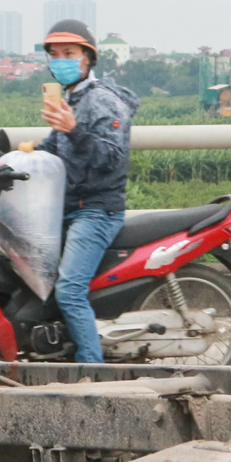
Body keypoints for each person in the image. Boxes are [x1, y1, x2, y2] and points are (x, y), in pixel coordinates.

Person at [36, 19, 139, 364]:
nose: (60, 60)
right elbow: (53, 149)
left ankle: (92, 370)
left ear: (88, 58)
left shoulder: (102, 102)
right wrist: (8, 159)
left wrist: (74, 130)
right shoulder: (72, 99)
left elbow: (112, 158)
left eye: (69, 53)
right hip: (67, 206)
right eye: (54, 54)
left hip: (95, 210)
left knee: (69, 291)